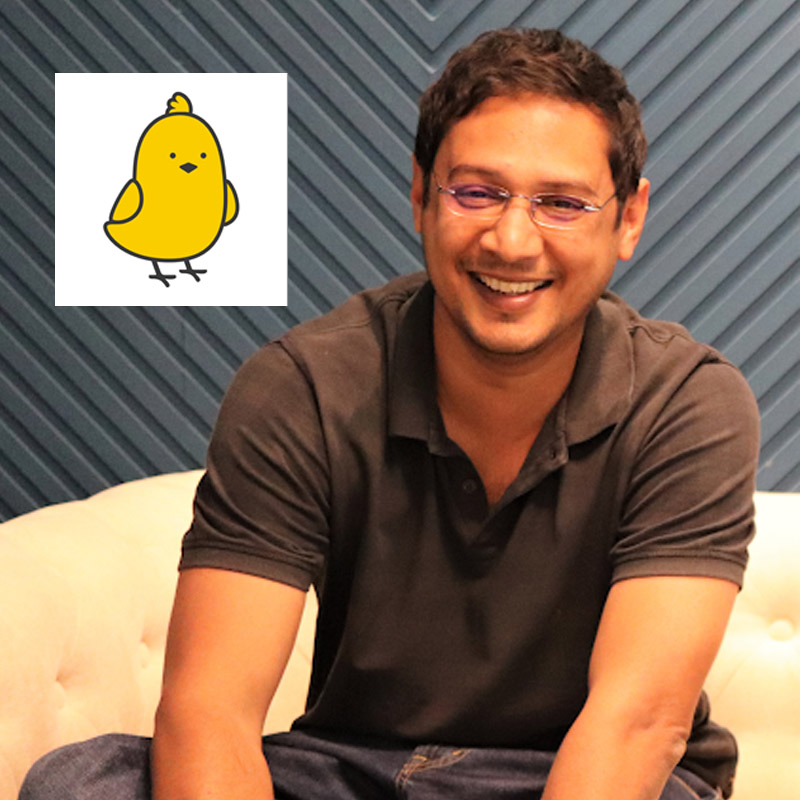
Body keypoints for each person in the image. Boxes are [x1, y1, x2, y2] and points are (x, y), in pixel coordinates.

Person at [21, 27, 759, 800]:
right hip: (350, 766)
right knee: (84, 783)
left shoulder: (687, 404)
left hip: (576, 771)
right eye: (476, 192)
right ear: (420, 195)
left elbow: (637, 723)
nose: (512, 240)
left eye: (562, 204)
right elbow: (211, 710)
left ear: (629, 218)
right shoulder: (303, 386)